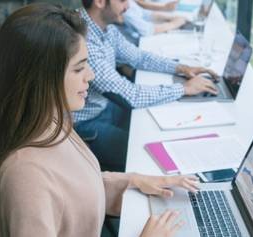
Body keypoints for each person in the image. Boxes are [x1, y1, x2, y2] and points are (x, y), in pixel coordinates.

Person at [0, 3, 200, 236]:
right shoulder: (26, 176)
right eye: (78, 69)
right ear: (40, 78)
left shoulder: (53, 123)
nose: (91, 75)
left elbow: (74, 191)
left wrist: (134, 181)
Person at [74, 0, 219, 172]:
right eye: (121, 0)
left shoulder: (105, 28)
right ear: (99, 2)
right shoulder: (84, 40)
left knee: (162, 126)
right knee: (149, 160)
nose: (128, 6)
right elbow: (131, 96)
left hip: (105, 107)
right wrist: (184, 89)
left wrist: (181, 68)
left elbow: (139, 57)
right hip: (85, 124)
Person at [122, 0, 186, 42]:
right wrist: (174, 24)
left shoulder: (130, 2)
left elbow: (146, 14)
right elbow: (146, 30)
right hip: (136, 43)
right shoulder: (124, 8)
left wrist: (170, 18)